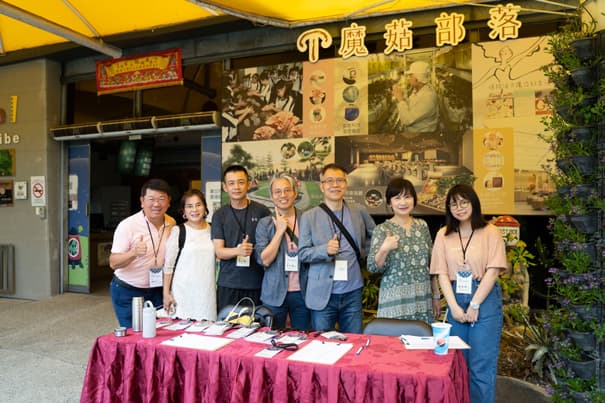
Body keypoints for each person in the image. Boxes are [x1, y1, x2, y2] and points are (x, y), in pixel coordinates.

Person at [429, 183, 507, 403]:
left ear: (474, 203)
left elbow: (493, 271)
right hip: (455, 297)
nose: (459, 207)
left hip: (484, 298)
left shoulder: (490, 232)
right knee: (458, 364)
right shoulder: (443, 234)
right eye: (454, 204)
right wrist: (453, 307)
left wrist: (475, 304)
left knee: (481, 366)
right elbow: (442, 273)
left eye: (464, 202)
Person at [298, 163, 375, 333]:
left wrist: (364, 253)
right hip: (322, 293)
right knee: (323, 343)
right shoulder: (309, 216)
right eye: (330, 181)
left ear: (346, 184)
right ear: (322, 186)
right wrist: (324, 250)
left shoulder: (358, 211)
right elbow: (302, 253)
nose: (335, 185)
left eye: (340, 180)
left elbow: (374, 236)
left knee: (354, 341)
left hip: (352, 291)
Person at [367, 178, 440, 323]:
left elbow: (431, 266)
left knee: (421, 336)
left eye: (407, 197)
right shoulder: (382, 229)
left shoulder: (422, 226)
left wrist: (436, 296)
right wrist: (384, 249)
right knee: (393, 337)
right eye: (397, 198)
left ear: (414, 199)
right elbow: (372, 267)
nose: (403, 202)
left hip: (422, 300)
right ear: (389, 203)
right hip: (394, 302)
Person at [109, 178, 176, 328]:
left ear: (169, 202)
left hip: (157, 289)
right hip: (128, 290)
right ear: (142, 201)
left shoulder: (171, 223)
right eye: (151, 199)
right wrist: (133, 253)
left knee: (160, 331)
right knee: (134, 334)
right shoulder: (128, 225)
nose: (156, 204)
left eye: (161, 199)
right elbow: (113, 263)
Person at [211, 165, 271, 312]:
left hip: (256, 283)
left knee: (255, 324)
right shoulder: (219, 215)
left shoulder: (262, 211)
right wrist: (238, 251)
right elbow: (219, 251)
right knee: (227, 324)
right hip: (228, 283)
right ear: (225, 187)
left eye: (241, 182)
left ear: (249, 184)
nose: (236, 187)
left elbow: (270, 247)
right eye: (231, 183)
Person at [255, 174, 310, 330]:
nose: (283, 195)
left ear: (295, 193)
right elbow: (264, 260)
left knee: (303, 337)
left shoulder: (307, 219)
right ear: (271, 196)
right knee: (272, 338)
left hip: (304, 292)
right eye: (277, 192)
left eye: (287, 190)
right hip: (274, 292)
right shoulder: (265, 224)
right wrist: (279, 232)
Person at [162, 190, 217, 321]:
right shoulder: (178, 231)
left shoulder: (214, 230)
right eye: (189, 206)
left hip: (207, 293)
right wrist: (166, 293)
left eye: (198, 205)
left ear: (205, 208)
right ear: (184, 211)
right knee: (182, 329)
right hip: (182, 293)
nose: (194, 210)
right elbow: (168, 266)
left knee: (208, 328)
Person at [392, 60, 439, 133]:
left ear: (418, 78)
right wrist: (402, 98)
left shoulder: (428, 98)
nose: (408, 78)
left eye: (411, 76)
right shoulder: (418, 90)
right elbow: (412, 105)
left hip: (421, 136)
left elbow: (407, 120)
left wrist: (400, 99)